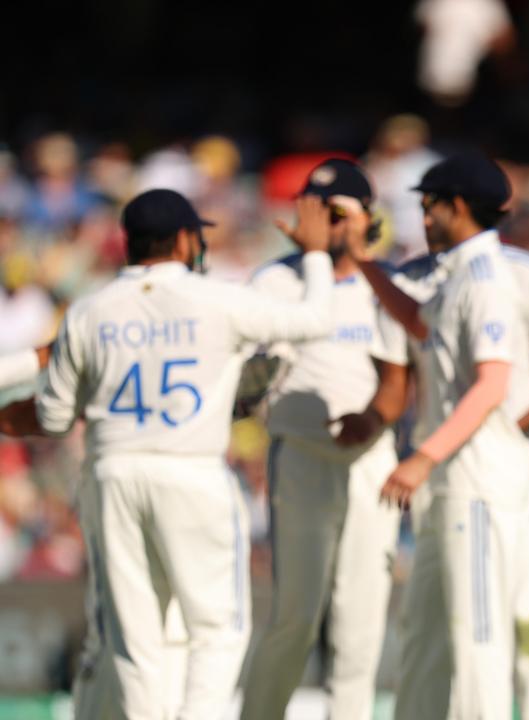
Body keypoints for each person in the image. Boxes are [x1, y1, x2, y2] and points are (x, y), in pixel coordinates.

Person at [0, 188, 336, 719]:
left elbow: (56, 419)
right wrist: (317, 252)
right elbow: (316, 320)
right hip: (190, 471)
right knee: (217, 631)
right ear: (184, 240)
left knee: (136, 639)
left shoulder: (90, 310)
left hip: (111, 475)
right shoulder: (218, 298)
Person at [350, 153, 529, 719]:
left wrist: (422, 457)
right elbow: (424, 328)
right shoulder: (456, 274)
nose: (422, 219)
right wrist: (366, 263)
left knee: (482, 636)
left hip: (479, 479)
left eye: (429, 207)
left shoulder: (489, 277)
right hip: (453, 481)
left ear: (455, 207)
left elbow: (493, 382)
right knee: (426, 631)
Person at [239, 159, 406, 720]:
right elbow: (245, 377)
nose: (324, 223)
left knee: (359, 626)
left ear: (367, 218)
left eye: (337, 212)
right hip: (300, 459)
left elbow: (398, 381)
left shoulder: (385, 285)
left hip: (369, 462)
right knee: (294, 618)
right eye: (313, 210)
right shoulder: (273, 281)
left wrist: (373, 420)